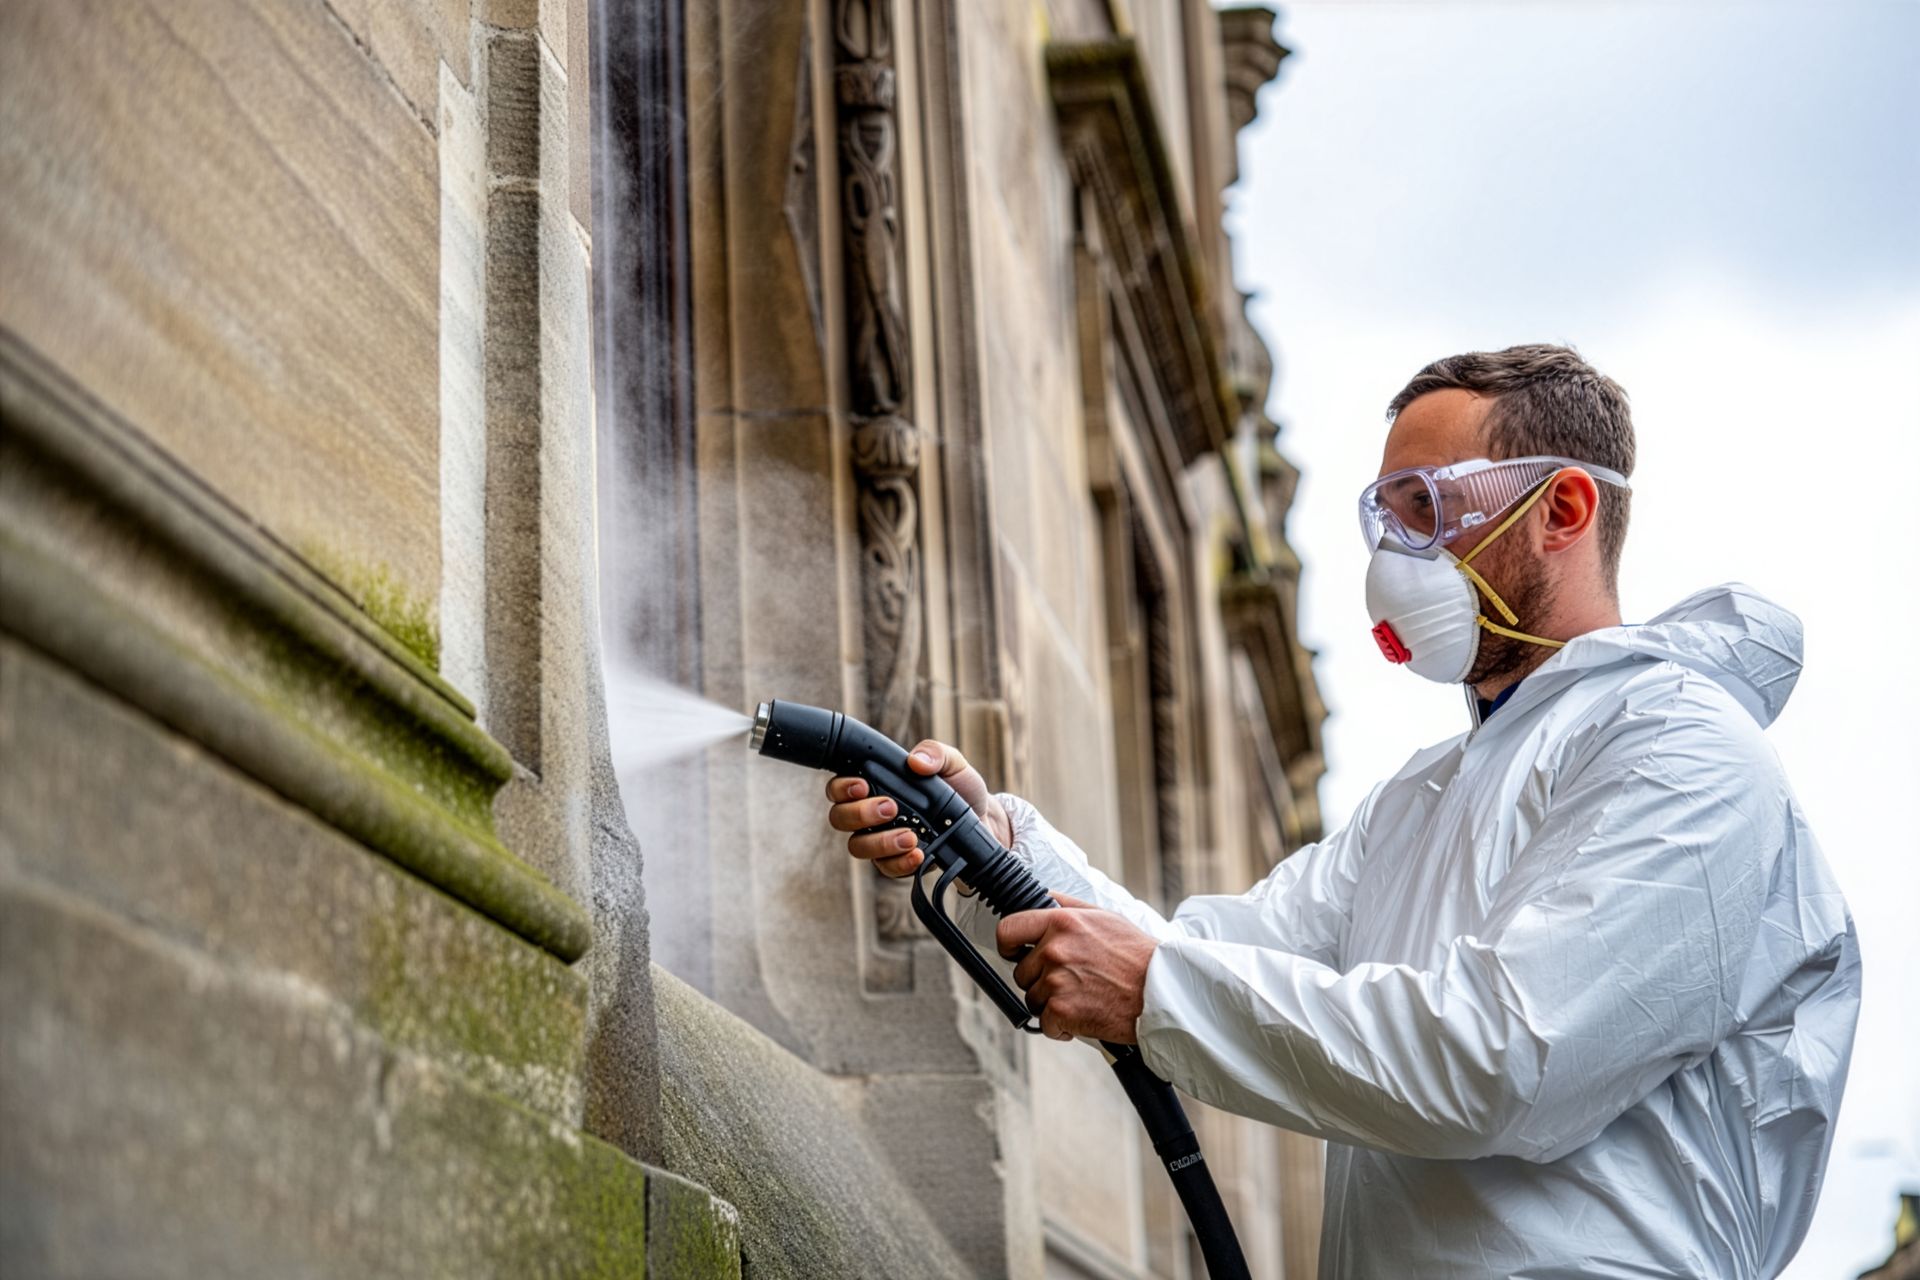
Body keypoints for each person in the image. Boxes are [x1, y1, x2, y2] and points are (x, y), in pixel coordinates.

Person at [822, 345, 1860, 1279]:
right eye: (1385, 515)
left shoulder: (1685, 753)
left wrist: (1155, 987)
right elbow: (1199, 952)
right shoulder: (1423, 798)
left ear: (1565, 509)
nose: (1397, 554)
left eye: (1430, 507)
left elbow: (1503, 1056)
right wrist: (997, 841)